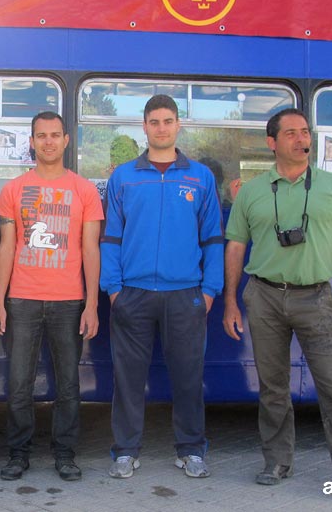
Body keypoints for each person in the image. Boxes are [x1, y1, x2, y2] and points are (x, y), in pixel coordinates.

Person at [222, 108, 332, 503]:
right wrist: (230, 302)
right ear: (272, 143)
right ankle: (276, 461)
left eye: (305, 132)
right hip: (265, 296)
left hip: (316, 298)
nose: (301, 139)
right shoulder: (253, 191)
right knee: (273, 388)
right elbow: (235, 247)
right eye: (290, 133)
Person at [101, 95, 223, 479]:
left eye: (168, 121)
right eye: (154, 122)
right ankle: (125, 450)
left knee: (188, 375)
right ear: (144, 127)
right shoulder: (124, 177)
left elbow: (213, 239)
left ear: (178, 125)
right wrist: (113, 288)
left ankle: (190, 449)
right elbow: (111, 238)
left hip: (185, 294)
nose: (161, 128)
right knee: (128, 377)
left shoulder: (200, 177)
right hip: (132, 294)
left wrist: (209, 290)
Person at [0, 111, 103, 482]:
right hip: (21, 299)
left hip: (69, 302)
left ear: (67, 140)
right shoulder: (13, 189)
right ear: (32, 142)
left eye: (55, 135)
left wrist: (92, 305)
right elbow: (6, 248)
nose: (49, 141)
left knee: (68, 384)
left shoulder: (84, 190)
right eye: (42, 136)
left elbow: (90, 250)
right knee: (18, 382)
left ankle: (65, 454)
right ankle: (18, 453)